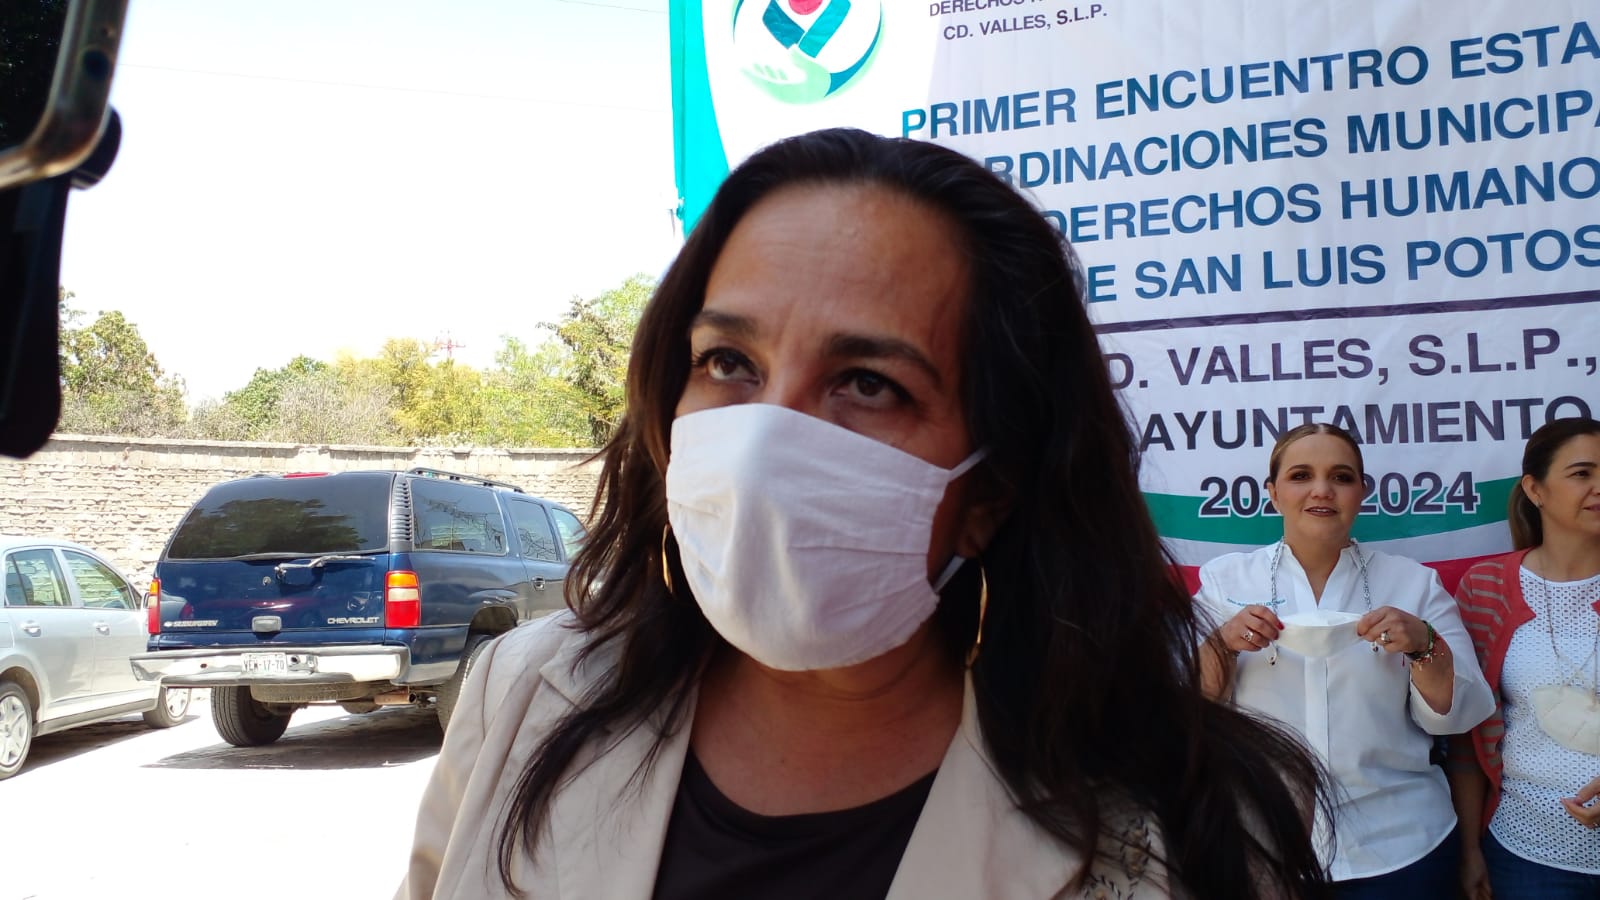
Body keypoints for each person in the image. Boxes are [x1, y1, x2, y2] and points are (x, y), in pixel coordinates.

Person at [397, 128, 1333, 899]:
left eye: (868, 383)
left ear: (991, 491)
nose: (762, 442)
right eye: (728, 362)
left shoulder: (1191, 827)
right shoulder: (523, 694)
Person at [1196, 422, 1494, 897]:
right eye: (1300, 476)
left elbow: (1460, 713)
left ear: (1362, 492)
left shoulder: (1412, 584)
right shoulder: (1226, 580)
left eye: (1341, 476)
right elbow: (1192, 706)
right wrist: (1223, 643)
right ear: (1272, 493)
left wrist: (1424, 644)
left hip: (1399, 843)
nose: (1322, 490)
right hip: (1263, 841)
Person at [1451, 417, 1600, 899]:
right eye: (1582, 473)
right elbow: (1467, 733)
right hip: (1526, 855)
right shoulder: (1487, 587)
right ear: (1535, 489)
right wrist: (1469, 850)